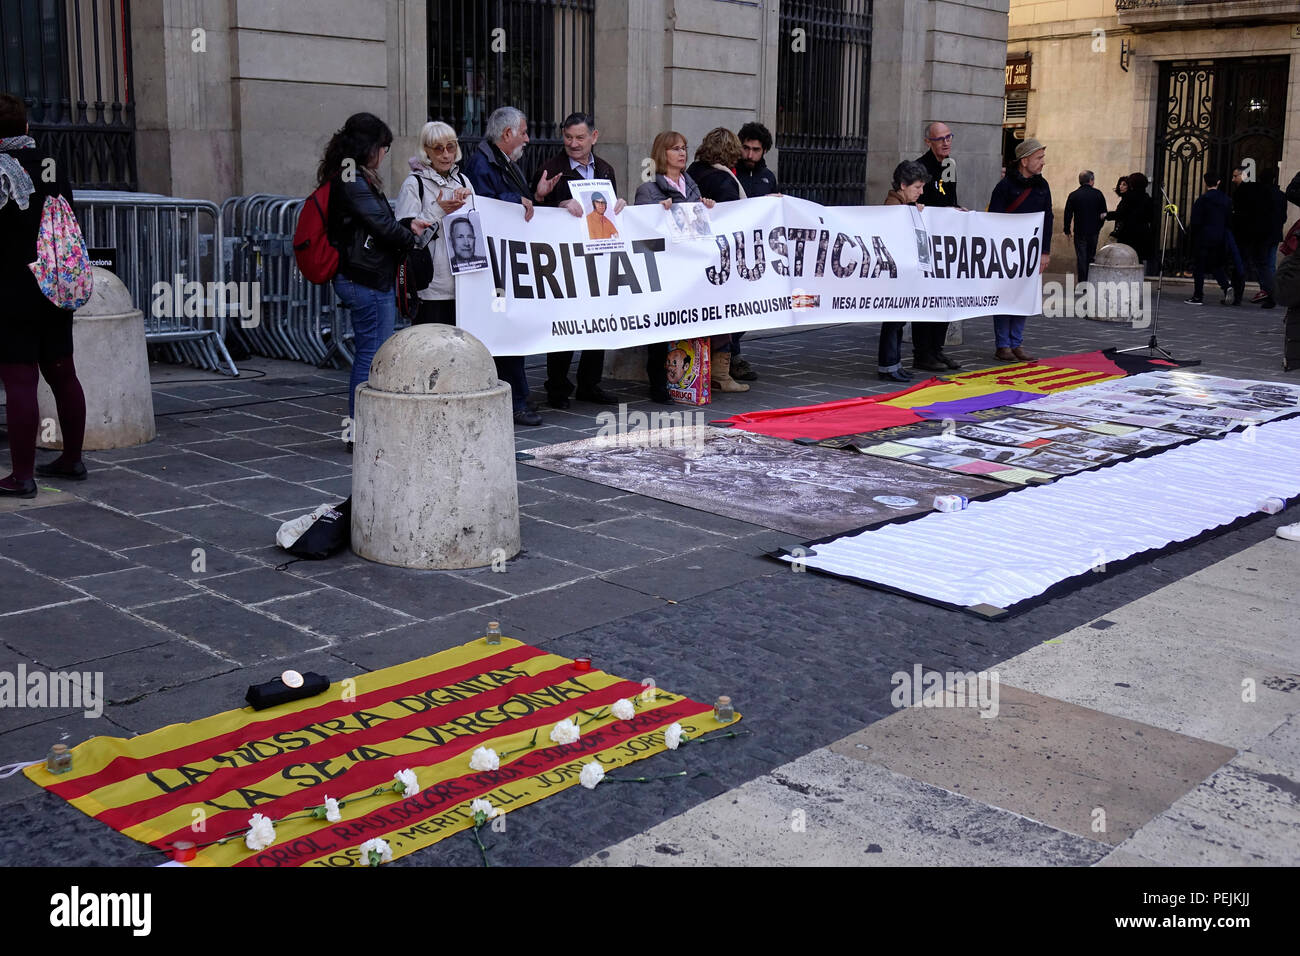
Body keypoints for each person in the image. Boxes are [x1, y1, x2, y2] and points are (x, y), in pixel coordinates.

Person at [318, 112, 430, 441]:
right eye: (383, 147)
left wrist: (406, 228)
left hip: (363, 277)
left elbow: (377, 222)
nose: (384, 154)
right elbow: (382, 225)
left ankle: (363, 428)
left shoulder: (352, 176)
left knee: (370, 352)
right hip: (364, 279)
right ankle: (361, 432)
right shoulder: (352, 179)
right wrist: (410, 237)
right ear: (369, 147)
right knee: (372, 355)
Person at [0, 92, 88, 497]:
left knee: (20, 378)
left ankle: (22, 476)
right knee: (62, 372)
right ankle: (72, 459)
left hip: (12, 287)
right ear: (26, 127)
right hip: (54, 283)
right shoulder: (51, 164)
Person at [528, 111, 620, 409]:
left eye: (580, 137)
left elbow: (608, 210)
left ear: (594, 137)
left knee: (598, 322)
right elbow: (531, 210)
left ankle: (589, 384)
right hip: (563, 260)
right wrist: (555, 203)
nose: (574, 143)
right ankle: (557, 387)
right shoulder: (549, 168)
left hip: (597, 258)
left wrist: (618, 207)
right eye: (568, 137)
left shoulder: (605, 170)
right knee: (565, 324)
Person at [462, 105, 543, 425]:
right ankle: (514, 400)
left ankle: (515, 397)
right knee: (505, 331)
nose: (527, 138)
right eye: (523, 132)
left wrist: (536, 195)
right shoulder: (483, 163)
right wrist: (516, 202)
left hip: (504, 263)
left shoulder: (500, 161)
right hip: (495, 266)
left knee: (511, 330)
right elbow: (484, 203)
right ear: (507, 134)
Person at [634, 131, 718, 403]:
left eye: (684, 148)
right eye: (675, 149)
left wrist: (706, 206)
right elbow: (641, 229)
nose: (682, 153)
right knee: (662, 328)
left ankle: (688, 378)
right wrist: (656, 212)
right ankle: (658, 383)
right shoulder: (648, 188)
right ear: (662, 153)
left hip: (689, 267)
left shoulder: (690, 184)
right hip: (664, 268)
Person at [394, 120, 475, 326]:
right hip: (430, 287)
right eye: (438, 149)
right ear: (426, 151)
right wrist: (438, 210)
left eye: (451, 147)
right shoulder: (414, 184)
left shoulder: (464, 181)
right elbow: (405, 234)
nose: (446, 155)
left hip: (464, 285)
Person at [988, 137, 1052, 362]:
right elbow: (994, 218)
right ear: (1024, 161)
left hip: (1031, 251)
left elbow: (1048, 218)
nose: (1043, 162)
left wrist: (1045, 251)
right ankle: (1002, 344)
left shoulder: (1042, 185)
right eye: (1039, 158)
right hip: (1007, 252)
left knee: (1024, 296)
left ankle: (1017, 343)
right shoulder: (1005, 186)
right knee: (1004, 297)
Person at [729, 120, 780, 382]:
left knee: (751, 307)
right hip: (731, 249)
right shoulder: (729, 172)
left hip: (757, 252)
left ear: (764, 151)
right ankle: (730, 357)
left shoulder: (767, 177)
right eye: (746, 148)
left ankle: (731, 351)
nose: (749, 154)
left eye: (755, 150)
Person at [913, 122, 962, 371]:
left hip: (946, 241)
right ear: (928, 142)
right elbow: (916, 201)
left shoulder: (949, 165)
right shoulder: (919, 167)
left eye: (948, 137)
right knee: (927, 298)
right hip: (926, 241)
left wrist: (956, 209)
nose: (946, 142)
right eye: (940, 138)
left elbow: (949, 197)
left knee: (944, 297)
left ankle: (937, 349)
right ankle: (922, 353)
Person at [878, 161, 930, 382]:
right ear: (903, 185)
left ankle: (894, 363)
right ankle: (888, 365)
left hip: (901, 272)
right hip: (895, 273)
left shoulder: (903, 206)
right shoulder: (894, 207)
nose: (921, 191)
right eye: (917, 187)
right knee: (893, 320)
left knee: (898, 320)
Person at [1231, 165, 1282, 308]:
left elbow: (1240, 215)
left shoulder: (1244, 191)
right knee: (1265, 265)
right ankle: (1271, 294)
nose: (1233, 179)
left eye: (1236, 176)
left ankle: (1238, 296)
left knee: (1244, 264)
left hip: (1248, 235)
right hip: (1266, 234)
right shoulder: (1273, 193)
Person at [1183, 172, 1235, 306]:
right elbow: (1230, 220)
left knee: (1199, 267)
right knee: (1215, 265)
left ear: (1205, 183)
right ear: (1218, 182)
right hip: (1220, 236)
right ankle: (1226, 286)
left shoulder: (1202, 200)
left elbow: (1195, 221)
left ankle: (1198, 295)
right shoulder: (1226, 200)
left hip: (1204, 236)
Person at [1106, 171, 1157, 274]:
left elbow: (1120, 214)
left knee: (1126, 260)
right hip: (1143, 233)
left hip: (1128, 234)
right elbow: (1151, 217)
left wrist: (1106, 215)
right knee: (1139, 261)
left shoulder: (1129, 198)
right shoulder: (1147, 198)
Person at [1063, 170, 1107, 282]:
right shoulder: (1098, 194)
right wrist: (1098, 226)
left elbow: (1068, 213)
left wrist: (1067, 229)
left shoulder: (1073, 195)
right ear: (1091, 180)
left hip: (1080, 231)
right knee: (1091, 256)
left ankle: (1082, 282)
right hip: (1093, 231)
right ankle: (1090, 281)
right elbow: (1103, 213)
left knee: (1081, 257)